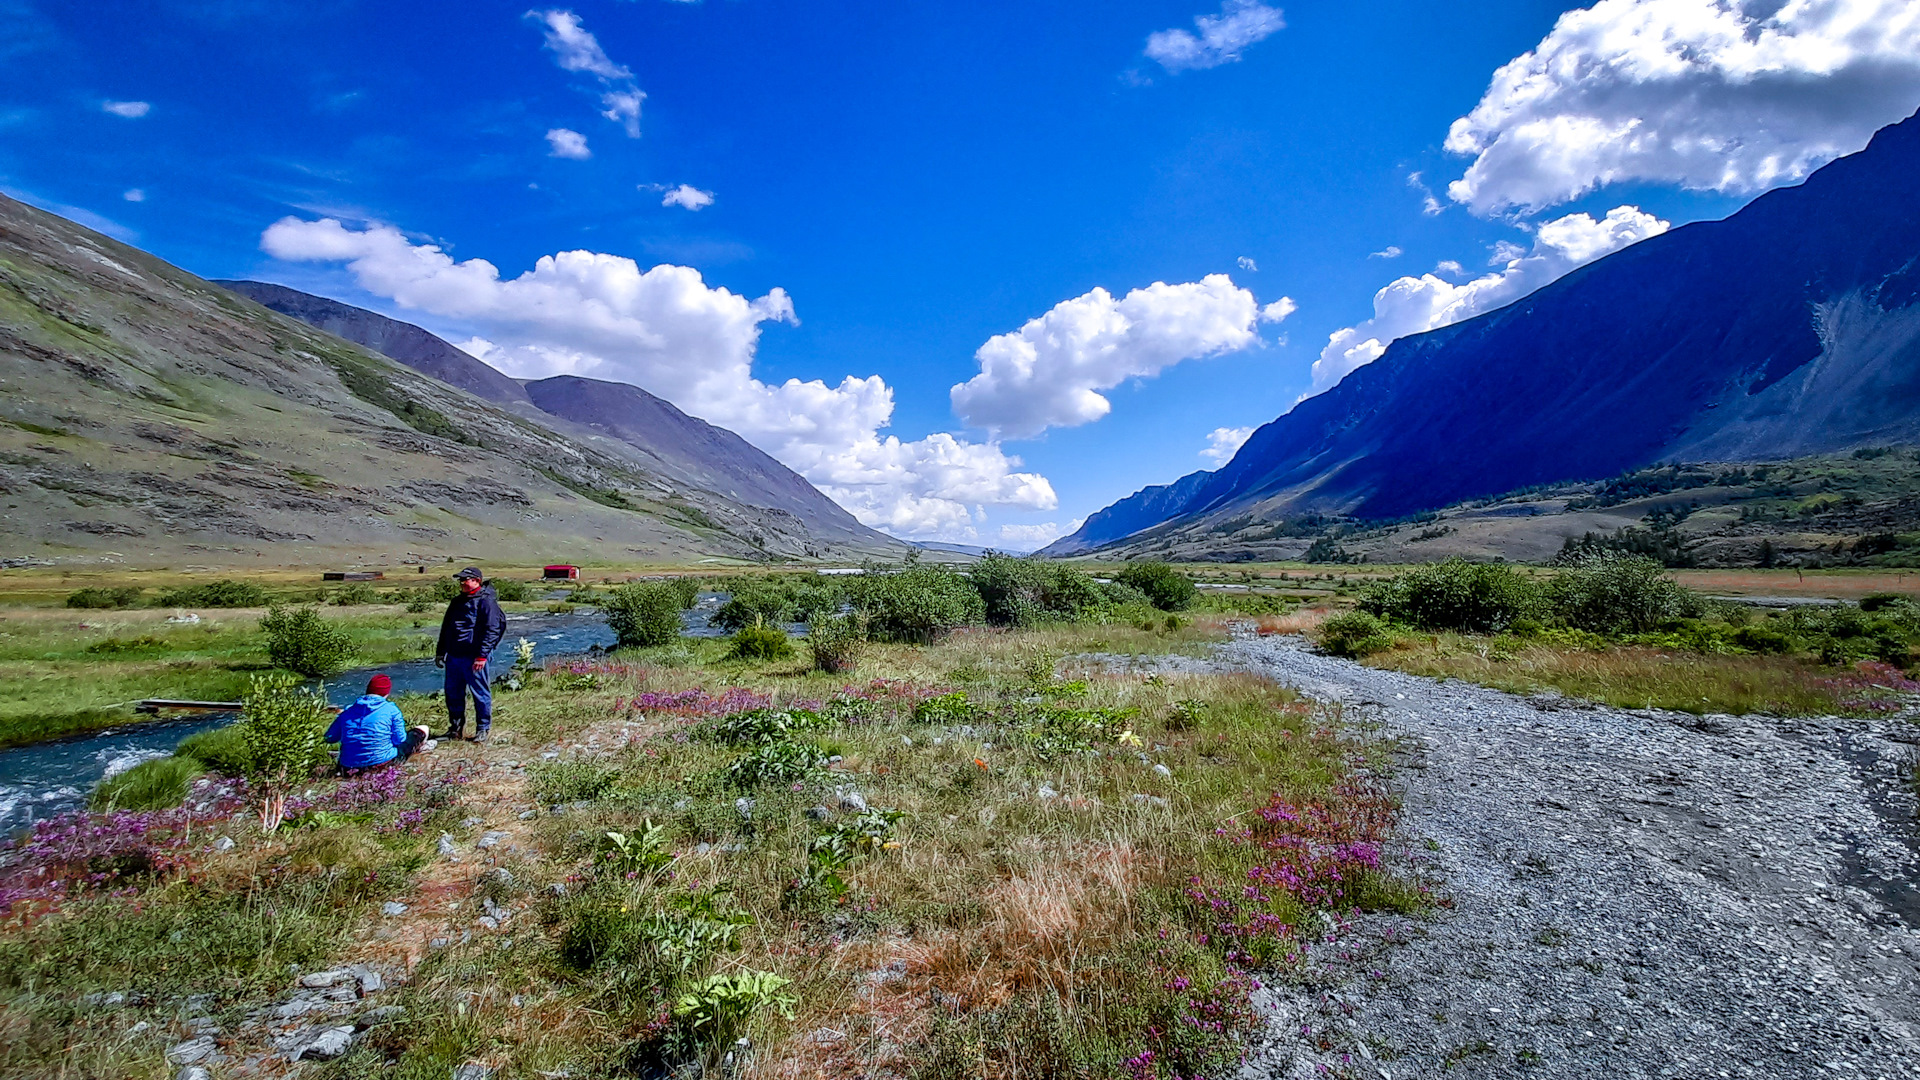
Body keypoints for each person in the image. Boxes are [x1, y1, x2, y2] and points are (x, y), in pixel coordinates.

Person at [436, 566, 505, 742]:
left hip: (475, 657)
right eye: (461, 580)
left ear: (477, 581)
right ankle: (455, 730)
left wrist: (482, 656)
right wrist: (440, 652)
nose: (462, 583)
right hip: (454, 655)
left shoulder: (486, 601)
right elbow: (446, 628)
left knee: (480, 693)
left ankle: (482, 729)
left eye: (465, 579)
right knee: (453, 693)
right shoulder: (457, 602)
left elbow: (492, 629)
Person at [326, 674, 432, 771]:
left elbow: (330, 738)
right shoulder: (391, 709)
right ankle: (421, 748)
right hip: (382, 764)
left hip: (347, 767)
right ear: (387, 693)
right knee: (423, 729)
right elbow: (400, 739)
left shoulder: (347, 711)